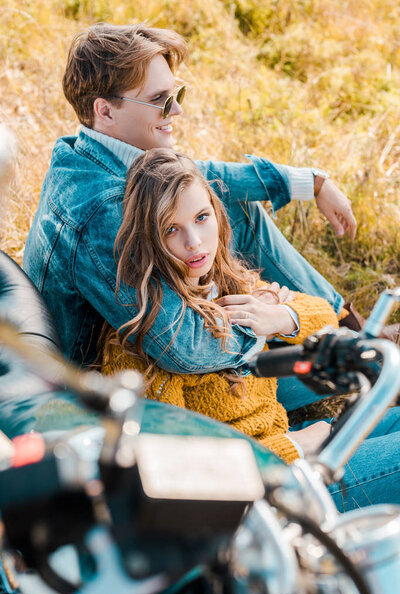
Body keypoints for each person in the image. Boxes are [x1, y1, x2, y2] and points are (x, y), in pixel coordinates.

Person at [22, 23, 397, 412]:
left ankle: (355, 333)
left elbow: (210, 179)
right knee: (355, 363)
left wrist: (312, 183)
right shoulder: (102, 209)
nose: (177, 109)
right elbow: (184, 347)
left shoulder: (92, 151)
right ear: (105, 110)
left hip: (163, 349)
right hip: (121, 387)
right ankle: (368, 354)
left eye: (176, 94)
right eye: (160, 100)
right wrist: (268, 319)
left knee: (228, 204)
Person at [101, 147, 400, 512]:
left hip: (284, 447)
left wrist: (281, 317)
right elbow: (180, 473)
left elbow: (322, 316)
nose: (194, 242)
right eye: (171, 229)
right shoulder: (144, 337)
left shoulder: (222, 281)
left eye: (201, 217)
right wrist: (297, 445)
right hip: (261, 498)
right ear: (148, 238)